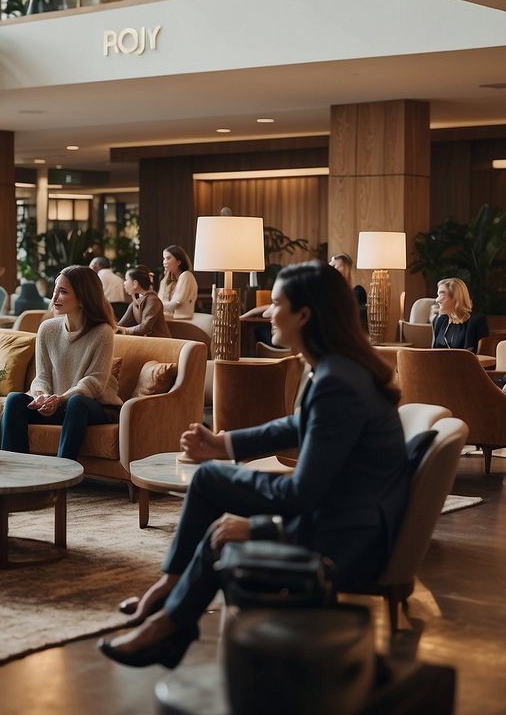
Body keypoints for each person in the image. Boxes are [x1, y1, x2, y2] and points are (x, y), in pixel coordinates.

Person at [98, 261, 409, 669]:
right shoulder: (336, 367)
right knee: (209, 478)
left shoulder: (337, 381)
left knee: (222, 533)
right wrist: (224, 443)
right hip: (344, 515)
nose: (267, 312)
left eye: (276, 303)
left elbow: (302, 493)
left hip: (346, 538)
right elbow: (298, 425)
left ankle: (169, 626)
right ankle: (169, 591)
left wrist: (260, 527)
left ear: (304, 314)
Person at [0, 265, 123, 461]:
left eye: (63, 292)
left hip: (94, 408)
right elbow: (42, 376)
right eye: (55, 290)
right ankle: (15, 469)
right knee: (15, 400)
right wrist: (42, 396)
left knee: (77, 402)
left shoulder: (102, 333)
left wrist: (61, 398)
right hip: (60, 405)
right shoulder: (47, 329)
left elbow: (95, 383)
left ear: (82, 297)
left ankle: (63, 471)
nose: (55, 297)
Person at [431, 277, 489, 353]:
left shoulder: (476, 321)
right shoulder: (439, 320)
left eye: (441, 294)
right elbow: (433, 352)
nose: (437, 300)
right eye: (438, 295)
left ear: (456, 298)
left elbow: (482, 355)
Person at [116, 265, 170, 337]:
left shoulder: (153, 300)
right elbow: (121, 325)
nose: (124, 283)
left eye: (126, 279)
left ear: (135, 283)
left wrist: (125, 330)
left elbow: (145, 327)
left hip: (160, 342)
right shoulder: (135, 303)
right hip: (149, 341)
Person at [158, 245, 199, 320]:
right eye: (164, 258)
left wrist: (154, 305)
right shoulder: (172, 282)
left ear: (178, 262)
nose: (164, 262)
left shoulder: (186, 275)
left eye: (168, 258)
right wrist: (164, 280)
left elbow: (172, 306)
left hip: (182, 322)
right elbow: (161, 302)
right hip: (171, 320)